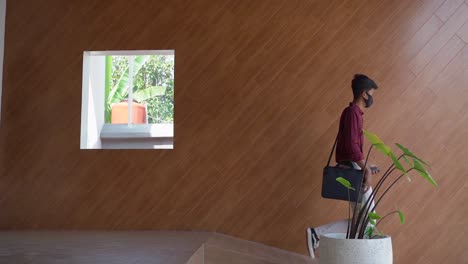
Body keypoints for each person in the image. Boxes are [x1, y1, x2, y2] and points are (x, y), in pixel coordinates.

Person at [306, 74, 380, 258]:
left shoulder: (353, 113)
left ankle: (317, 235)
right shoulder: (353, 112)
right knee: (368, 223)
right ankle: (317, 234)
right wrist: (366, 170)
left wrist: (366, 165)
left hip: (354, 168)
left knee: (363, 222)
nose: (372, 97)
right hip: (354, 172)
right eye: (371, 93)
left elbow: (351, 147)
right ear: (364, 94)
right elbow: (350, 146)